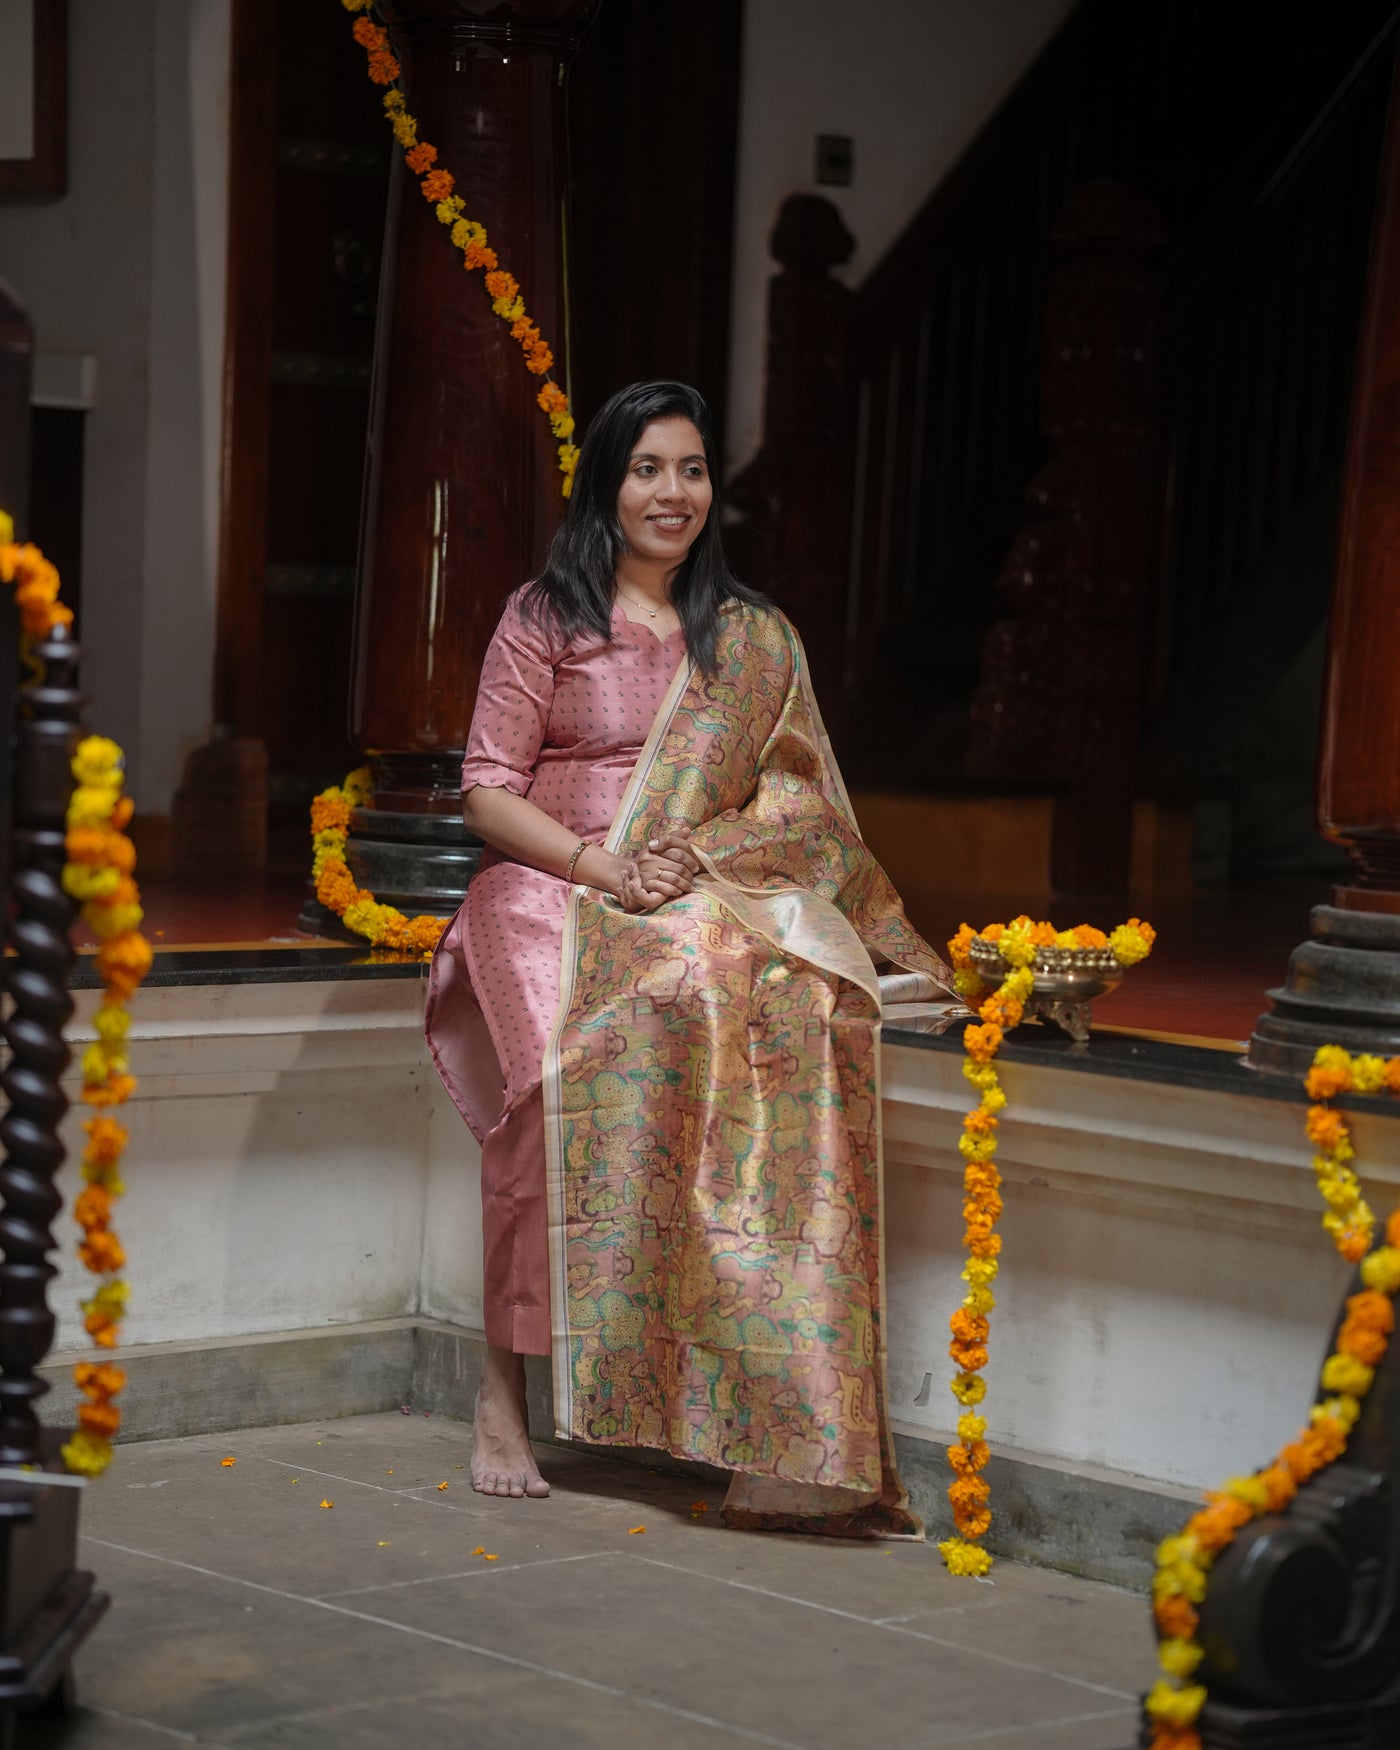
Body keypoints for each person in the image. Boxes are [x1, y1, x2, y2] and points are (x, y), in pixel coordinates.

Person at [425, 380, 952, 1532]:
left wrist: (693, 857)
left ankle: (736, 1405)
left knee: (776, 1008)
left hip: (692, 889)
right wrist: (602, 867)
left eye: (693, 469)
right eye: (647, 469)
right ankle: (502, 1391)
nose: (673, 492)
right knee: (551, 1083)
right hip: (548, 883)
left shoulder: (750, 637)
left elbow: (797, 804)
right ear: (605, 485)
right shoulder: (544, 614)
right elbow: (485, 790)